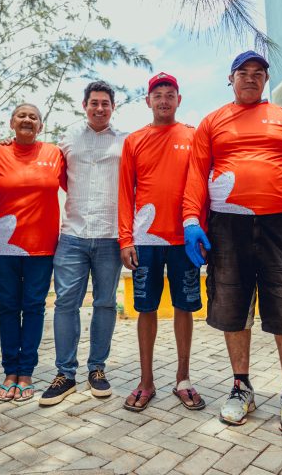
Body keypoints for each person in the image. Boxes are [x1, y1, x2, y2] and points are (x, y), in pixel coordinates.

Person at [182, 51, 282, 437]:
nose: (250, 78)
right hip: (227, 226)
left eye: (258, 72)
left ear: (265, 79)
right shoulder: (212, 121)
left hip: (280, 223)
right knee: (232, 306)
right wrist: (191, 221)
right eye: (242, 72)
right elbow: (196, 173)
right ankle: (241, 386)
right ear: (230, 79)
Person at [118, 72, 204, 412]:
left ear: (179, 100)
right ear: (148, 101)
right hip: (145, 239)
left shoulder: (194, 136)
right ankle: (146, 381)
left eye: (170, 94)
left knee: (184, 307)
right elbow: (125, 193)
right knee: (146, 308)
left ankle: (183, 378)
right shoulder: (134, 140)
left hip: (185, 237)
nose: (164, 100)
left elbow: (202, 185)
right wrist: (125, 238)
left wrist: (202, 231)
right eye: (158, 95)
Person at [39, 81, 127, 406]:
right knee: (65, 304)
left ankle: (97, 370)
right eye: (94, 103)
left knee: (105, 303)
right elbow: (45, 162)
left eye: (105, 103)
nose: (100, 108)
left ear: (113, 107)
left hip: (110, 235)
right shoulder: (68, 138)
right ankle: (65, 374)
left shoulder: (125, 141)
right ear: (84, 105)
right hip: (72, 235)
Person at [0, 103, 65, 403]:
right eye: (21, 115)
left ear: (40, 126)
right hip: (4, 244)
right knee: (8, 307)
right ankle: (10, 371)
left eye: (34, 117)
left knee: (34, 307)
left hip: (42, 245)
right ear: (11, 122)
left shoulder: (54, 154)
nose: (27, 120)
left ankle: (26, 373)